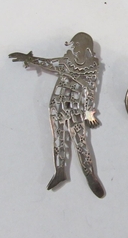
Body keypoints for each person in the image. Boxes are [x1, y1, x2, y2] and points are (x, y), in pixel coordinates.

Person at [9, 32, 105, 198]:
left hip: (76, 108)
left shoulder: (91, 68)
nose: (74, 49)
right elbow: (46, 63)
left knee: (81, 142)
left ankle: (90, 176)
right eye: (73, 46)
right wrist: (29, 58)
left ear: (85, 48)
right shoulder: (65, 63)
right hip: (57, 105)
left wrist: (89, 113)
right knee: (59, 138)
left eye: (77, 45)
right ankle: (60, 172)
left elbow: (90, 92)